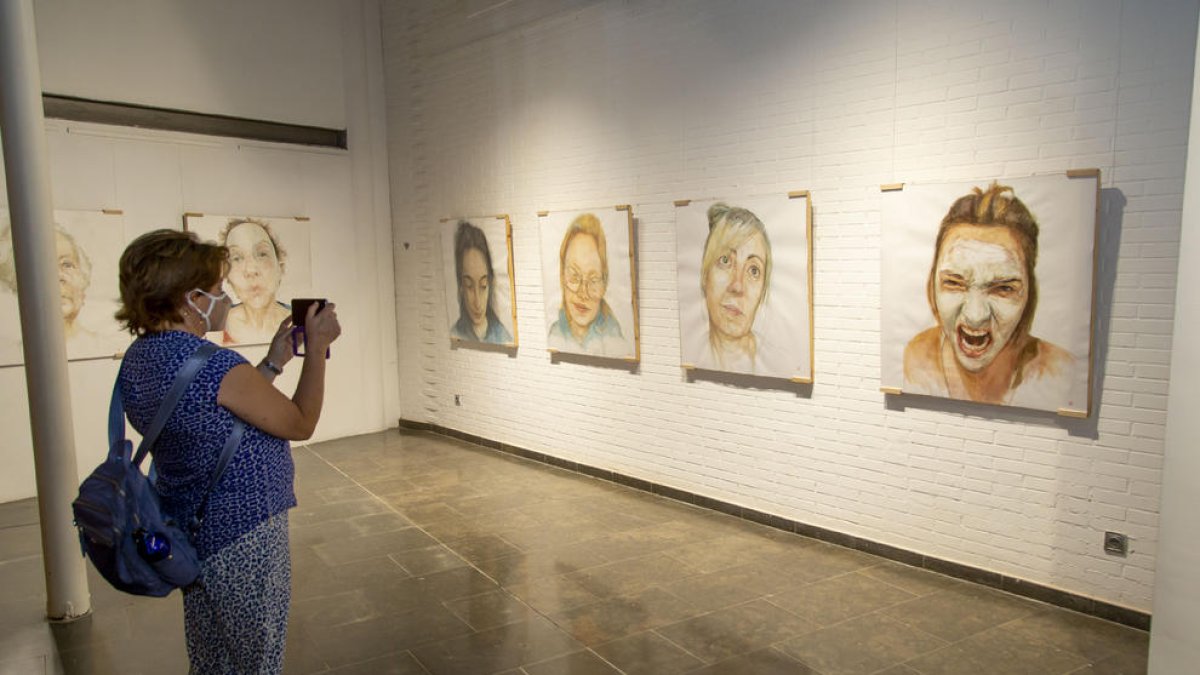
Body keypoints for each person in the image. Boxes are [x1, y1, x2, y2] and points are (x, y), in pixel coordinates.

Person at [115, 229, 340, 673]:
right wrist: (316, 350)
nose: (225, 297)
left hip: (190, 528)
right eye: (217, 289)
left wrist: (272, 364)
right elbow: (300, 422)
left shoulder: (141, 358)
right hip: (244, 533)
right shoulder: (215, 365)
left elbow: (214, 413)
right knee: (256, 661)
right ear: (190, 299)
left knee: (212, 658)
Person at [903, 182, 1074, 407]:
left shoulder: (1060, 373)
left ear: (1029, 293)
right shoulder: (913, 359)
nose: (976, 316)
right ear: (932, 283)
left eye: (1003, 289)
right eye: (954, 283)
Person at [687, 202, 774, 373]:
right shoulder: (693, 352)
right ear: (705, 275)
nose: (737, 286)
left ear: (763, 290)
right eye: (725, 260)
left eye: (753, 270)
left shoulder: (777, 361)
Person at [547, 213, 628, 356]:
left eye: (593, 280)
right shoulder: (555, 334)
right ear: (562, 276)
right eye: (574, 276)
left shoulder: (615, 341)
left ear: (604, 285)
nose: (583, 293)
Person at [0, 224, 97, 341]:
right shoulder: (12, 348)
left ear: (83, 275)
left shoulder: (103, 344)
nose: (58, 276)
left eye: (67, 264)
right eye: (43, 267)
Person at [219, 218, 291, 345]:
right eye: (237, 258)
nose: (251, 270)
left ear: (280, 267)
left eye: (262, 254)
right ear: (227, 276)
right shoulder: (216, 326)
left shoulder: (303, 324)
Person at [450, 221, 513, 344]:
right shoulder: (456, 333)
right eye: (469, 286)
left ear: (490, 283)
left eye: (483, 286)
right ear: (461, 287)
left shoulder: (503, 336)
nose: (477, 302)